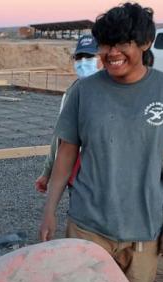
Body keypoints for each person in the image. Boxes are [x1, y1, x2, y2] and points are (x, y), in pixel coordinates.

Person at [39, 2, 163, 282]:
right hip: (88, 226)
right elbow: (66, 154)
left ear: (146, 43)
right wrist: (50, 210)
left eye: (123, 43)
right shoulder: (83, 92)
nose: (112, 52)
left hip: (143, 229)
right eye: (106, 44)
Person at [35, 34, 102, 193]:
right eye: (79, 57)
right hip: (77, 176)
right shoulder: (71, 93)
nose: (83, 62)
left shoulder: (113, 92)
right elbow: (60, 137)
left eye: (89, 56)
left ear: (102, 59)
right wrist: (47, 172)